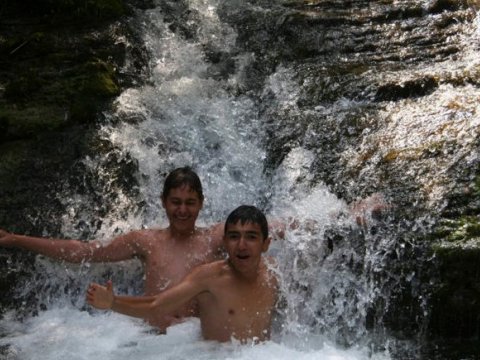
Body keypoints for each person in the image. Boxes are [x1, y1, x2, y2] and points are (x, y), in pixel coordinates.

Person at [0, 167, 225, 331]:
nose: (182, 210)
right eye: (176, 202)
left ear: (201, 203)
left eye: (190, 202)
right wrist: (18, 239)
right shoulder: (146, 241)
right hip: (156, 342)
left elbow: (256, 234)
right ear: (163, 201)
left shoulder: (214, 239)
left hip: (199, 343)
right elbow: (85, 252)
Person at [86, 205, 278, 344]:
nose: (242, 245)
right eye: (234, 237)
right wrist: (113, 302)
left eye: (251, 237)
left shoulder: (274, 274)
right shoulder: (209, 277)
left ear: (266, 244)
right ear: (226, 242)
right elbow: (156, 305)